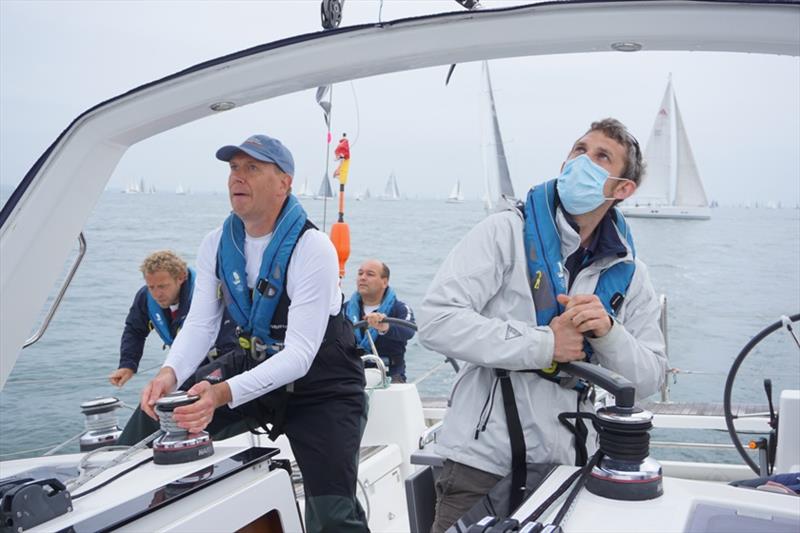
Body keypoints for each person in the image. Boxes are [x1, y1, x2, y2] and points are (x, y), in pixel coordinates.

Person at [418, 118, 668, 533]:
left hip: (568, 469)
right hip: (481, 464)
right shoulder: (504, 232)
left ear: (622, 189)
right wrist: (544, 344)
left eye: (601, 156)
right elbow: (436, 320)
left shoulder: (631, 273)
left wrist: (609, 332)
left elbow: (650, 378)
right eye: (578, 149)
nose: (581, 161)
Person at [135, 134, 369, 533]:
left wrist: (220, 395)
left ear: (284, 183)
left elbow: (299, 356)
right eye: (233, 168)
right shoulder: (216, 244)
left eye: (252, 168)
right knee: (153, 422)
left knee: (332, 515)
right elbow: (202, 324)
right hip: (255, 363)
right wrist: (168, 374)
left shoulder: (313, 248)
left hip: (323, 386)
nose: (237, 178)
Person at [109, 250, 236, 388]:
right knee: (153, 405)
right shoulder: (146, 298)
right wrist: (128, 365)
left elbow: (229, 342)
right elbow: (134, 330)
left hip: (220, 362)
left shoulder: (206, 296)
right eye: (151, 287)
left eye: (163, 286)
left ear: (181, 277)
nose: (157, 294)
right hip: (182, 365)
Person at [345, 259, 416, 383]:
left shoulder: (400, 308)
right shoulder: (343, 309)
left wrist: (385, 327)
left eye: (370, 274)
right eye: (360, 273)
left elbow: (409, 330)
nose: (362, 278)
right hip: (351, 375)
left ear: (385, 282)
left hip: (390, 376)